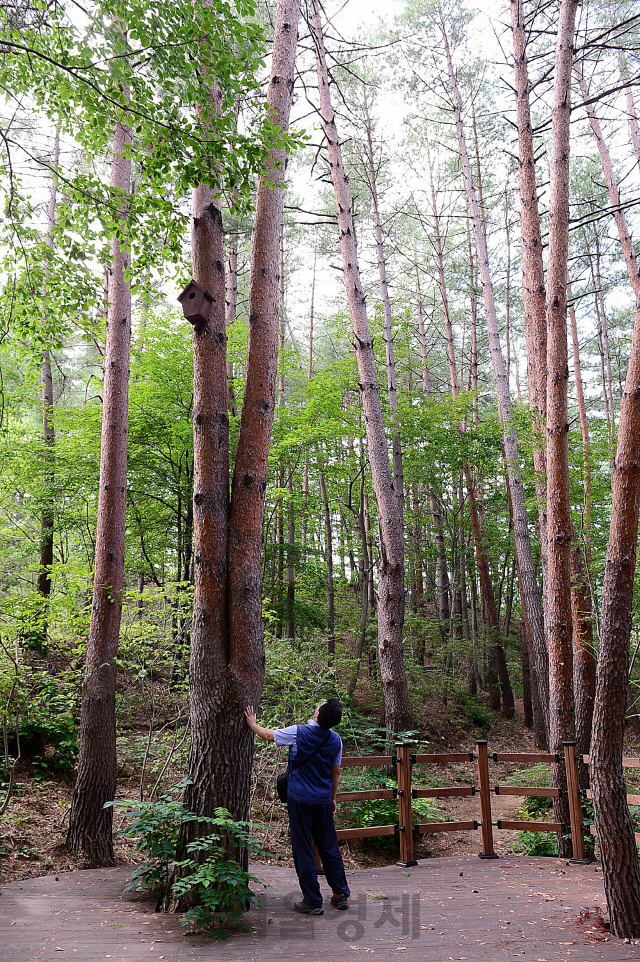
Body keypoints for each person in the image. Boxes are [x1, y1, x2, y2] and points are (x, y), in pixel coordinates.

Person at [245, 699, 350, 916]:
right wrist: (332, 798)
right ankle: (340, 894)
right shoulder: (335, 740)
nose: (317, 706)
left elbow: (269, 735)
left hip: (300, 798)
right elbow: (335, 772)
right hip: (322, 800)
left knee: (303, 848)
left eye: (319, 706)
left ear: (318, 715)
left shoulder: (298, 732)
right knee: (328, 846)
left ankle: (312, 900)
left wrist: (253, 724)